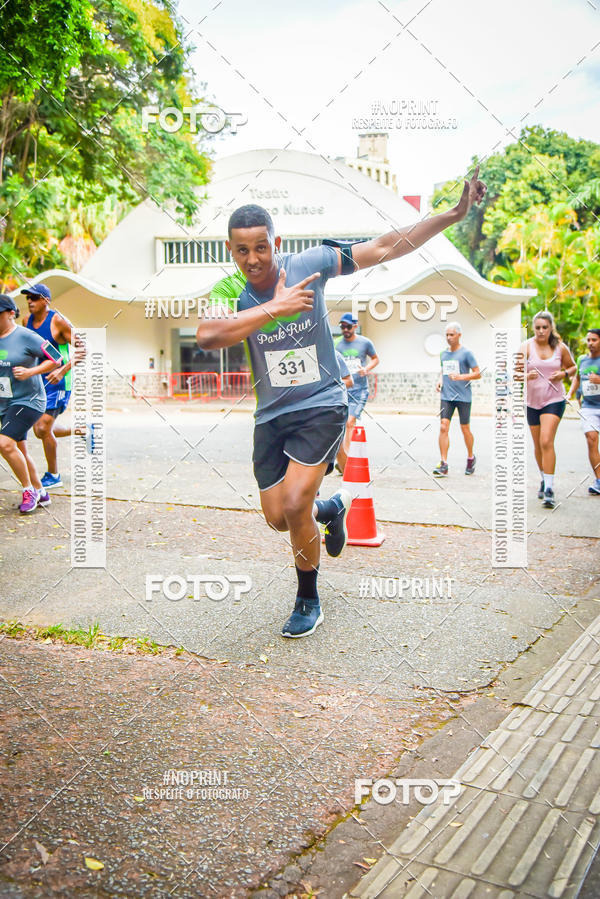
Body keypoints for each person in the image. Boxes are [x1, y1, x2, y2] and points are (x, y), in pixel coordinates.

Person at [197, 166, 486, 638]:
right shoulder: (230, 291)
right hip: (271, 414)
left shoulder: (309, 264)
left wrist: (453, 215)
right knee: (278, 517)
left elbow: (385, 246)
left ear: (276, 242)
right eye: (242, 250)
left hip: (323, 403)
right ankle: (331, 509)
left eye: (261, 247)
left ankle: (307, 600)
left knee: (295, 504)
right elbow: (208, 335)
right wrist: (274, 308)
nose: (253, 259)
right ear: (231, 250)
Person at [0, 295, 57, 512]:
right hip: (5, 402)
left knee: (4, 444)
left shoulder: (26, 336)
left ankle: (28, 491)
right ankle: (41, 492)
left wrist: (31, 371)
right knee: (19, 451)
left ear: (10, 314)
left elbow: (56, 358)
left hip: (29, 400)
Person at [22, 283, 74, 489]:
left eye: (34, 297)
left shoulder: (58, 321)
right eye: (28, 297)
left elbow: (84, 348)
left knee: (42, 428)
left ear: (46, 300)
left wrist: (62, 370)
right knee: (41, 430)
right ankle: (82, 429)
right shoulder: (26, 321)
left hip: (59, 381)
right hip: (37, 380)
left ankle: (53, 475)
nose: (30, 301)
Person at [524, 310, 576, 509]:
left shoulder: (560, 347)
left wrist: (563, 374)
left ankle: (549, 489)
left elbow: (573, 367)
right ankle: (544, 478)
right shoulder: (526, 347)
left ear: (550, 328)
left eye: (544, 327)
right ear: (533, 328)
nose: (541, 331)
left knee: (546, 440)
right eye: (537, 327)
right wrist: (525, 376)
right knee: (538, 445)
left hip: (553, 399)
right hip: (532, 402)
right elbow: (512, 372)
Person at [433, 322, 481, 476]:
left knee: (465, 428)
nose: (449, 337)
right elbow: (443, 370)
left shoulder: (466, 353)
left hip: (463, 396)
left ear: (459, 335)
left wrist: (461, 377)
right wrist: (440, 380)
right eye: (447, 335)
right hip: (446, 396)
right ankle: (444, 464)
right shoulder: (443, 354)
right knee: (443, 427)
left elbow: (478, 373)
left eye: (452, 334)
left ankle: (470, 457)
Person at [334, 314, 379, 473]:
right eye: (342, 326)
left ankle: (347, 460)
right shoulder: (336, 343)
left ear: (355, 326)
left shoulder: (365, 342)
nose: (345, 330)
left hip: (360, 390)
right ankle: (343, 459)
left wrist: (366, 369)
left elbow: (375, 359)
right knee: (342, 424)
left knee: (350, 422)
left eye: (348, 326)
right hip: (343, 389)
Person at [567, 328, 600, 495]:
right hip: (588, 407)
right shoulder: (582, 360)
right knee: (591, 439)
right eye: (588, 340)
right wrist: (570, 393)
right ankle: (599, 480)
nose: (590, 343)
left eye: (594, 340)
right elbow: (577, 378)